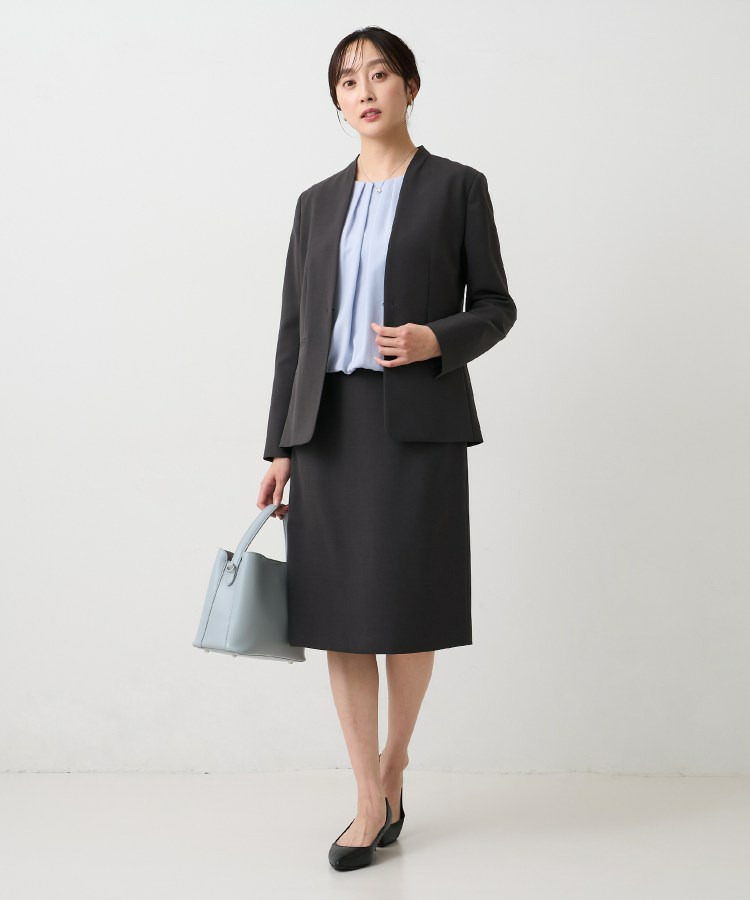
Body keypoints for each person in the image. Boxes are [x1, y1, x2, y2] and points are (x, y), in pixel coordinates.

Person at [257, 26, 517, 870]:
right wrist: (279, 446)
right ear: (337, 101)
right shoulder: (314, 204)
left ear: (410, 85)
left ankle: (394, 763)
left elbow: (497, 305)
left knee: (407, 609)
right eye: (347, 80)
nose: (364, 90)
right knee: (339, 616)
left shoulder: (458, 187)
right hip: (327, 428)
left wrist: (435, 339)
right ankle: (368, 798)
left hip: (415, 425)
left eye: (378, 74)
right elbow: (295, 335)